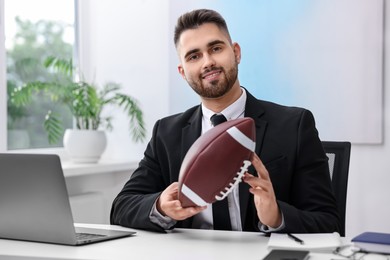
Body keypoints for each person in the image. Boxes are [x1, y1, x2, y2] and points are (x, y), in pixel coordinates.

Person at [110, 8, 340, 233]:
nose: (207, 62)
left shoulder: (295, 125)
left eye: (216, 48)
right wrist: (160, 206)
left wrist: (276, 216)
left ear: (236, 52)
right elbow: (121, 207)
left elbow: (328, 222)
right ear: (183, 71)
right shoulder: (166, 133)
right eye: (194, 56)